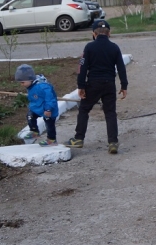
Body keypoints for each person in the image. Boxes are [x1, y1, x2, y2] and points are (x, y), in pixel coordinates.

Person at [68, 20, 128, 154]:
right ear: (109, 33)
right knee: (110, 112)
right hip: (109, 84)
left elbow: (82, 68)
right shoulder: (114, 47)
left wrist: (81, 86)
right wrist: (124, 85)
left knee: (84, 109)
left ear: (93, 34)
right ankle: (113, 142)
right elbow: (121, 68)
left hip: (93, 84)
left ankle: (79, 138)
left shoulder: (89, 47)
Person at [15, 64, 59, 146]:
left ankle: (52, 140)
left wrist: (48, 109)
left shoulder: (43, 86)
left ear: (30, 79)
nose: (21, 85)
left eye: (22, 82)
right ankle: (34, 131)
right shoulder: (31, 86)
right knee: (30, 116)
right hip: (38, 108)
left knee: (49, 124)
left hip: (48, 109)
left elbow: (49, 99)